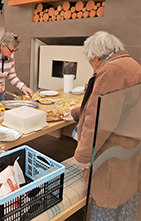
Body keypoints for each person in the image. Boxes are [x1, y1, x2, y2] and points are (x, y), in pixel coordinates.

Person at [64, 31, 141, 220]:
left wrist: (81, 157)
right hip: (128, 149)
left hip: (110, 156)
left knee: (106, 200)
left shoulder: (110, 71)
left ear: (96, 56)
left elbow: (98, 119)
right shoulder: (132, 65)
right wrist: (75, 113)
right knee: (125, 197)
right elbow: (111, 107)